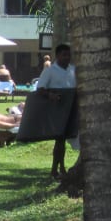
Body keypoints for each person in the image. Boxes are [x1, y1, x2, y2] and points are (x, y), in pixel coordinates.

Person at [35, 43, 77, 179]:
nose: (67, 57)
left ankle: (59, 168)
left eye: (69, 55)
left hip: (70, 107)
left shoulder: (73, 70)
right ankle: (57, 169)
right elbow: (40, 88)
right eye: (64, 55)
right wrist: (50, 95)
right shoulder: (50, 71)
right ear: (58, 55)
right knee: (60, 140)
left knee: (63, 140)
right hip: (56, 108)